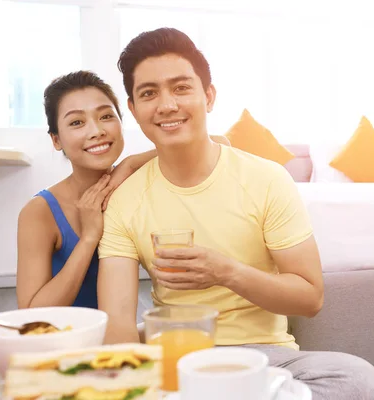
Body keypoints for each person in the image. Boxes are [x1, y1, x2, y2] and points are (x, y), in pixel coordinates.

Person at [97, 28, 374, 399]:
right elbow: (119, 324)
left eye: (181, 88)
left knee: (359, 380)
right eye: (149, 93)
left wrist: (225, 272)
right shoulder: (126, 200)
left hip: (265, 360)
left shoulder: (266, 179)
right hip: (178, 359)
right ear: (134, 110)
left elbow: (310, 298)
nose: (166, 105)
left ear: (209, 96)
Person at [16, 70, 228, 310]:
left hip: (120, 335)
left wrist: (130, 163)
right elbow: (31, 314)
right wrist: (88, 238)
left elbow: (221, 142)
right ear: (56, 140)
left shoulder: (133, 178)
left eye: (106, 116)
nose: (96, 131)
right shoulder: (40, 212)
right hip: (65, 342)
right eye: (76, 122)